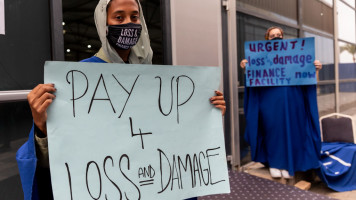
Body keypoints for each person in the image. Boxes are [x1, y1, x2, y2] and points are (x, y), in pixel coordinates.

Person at [16, 0, 226, 199]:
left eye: (134, 17)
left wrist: (207, 116)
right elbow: (59, 152)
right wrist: (41, 126)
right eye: (118, 17)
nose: (128, 23)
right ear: (103, 24)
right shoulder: (80, 79)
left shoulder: (153, 80)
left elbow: (173, 136)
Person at [240, 26, 322, 179]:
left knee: (292, 130)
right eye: (272, 36)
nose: (276, 37)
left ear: (283, 38)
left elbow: (308, 81)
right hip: (269, 101)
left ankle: (288, 164)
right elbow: (252, 82)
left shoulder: (294, 56)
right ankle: (275, 163)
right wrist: (247, 69)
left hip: (293, 102)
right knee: (273, 131)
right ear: (267, 39)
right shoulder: (260, 58)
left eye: (279, 35)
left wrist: (315, 69)